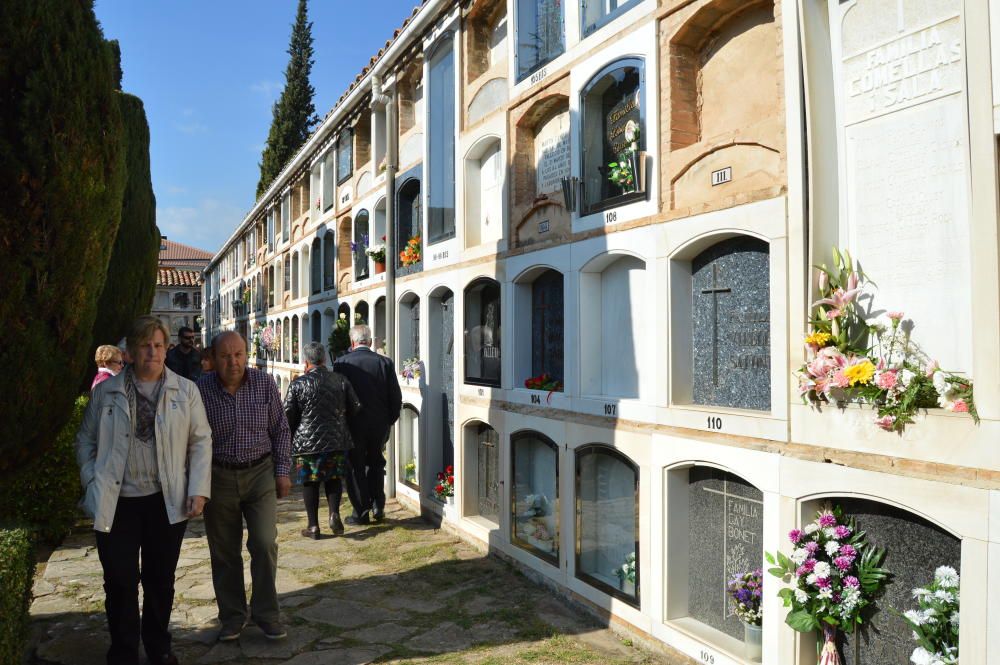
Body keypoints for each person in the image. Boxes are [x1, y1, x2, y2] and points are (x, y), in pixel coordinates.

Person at [75, 316, 212, 665]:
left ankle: (158, 646)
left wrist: (198, 488)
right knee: (119, 581)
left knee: (160, 581)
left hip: (166, 501)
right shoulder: (107, 391)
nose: (152, 351)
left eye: (157, 345)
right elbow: (85, 440)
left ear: (165, 349)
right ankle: (122, 651)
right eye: (144, 345)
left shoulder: (186, 390)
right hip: (117, 502)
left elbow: (200, 442)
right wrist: (92, 480)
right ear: (131, 353)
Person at [196, 331, 291, 642]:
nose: (233, 362)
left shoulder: (264, 384)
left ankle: (266, 613)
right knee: (224, 552)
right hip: (219, 476)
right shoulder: (201, 389)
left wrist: (282, 471)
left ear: (246, 355)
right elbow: (193, 439)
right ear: (213, 359)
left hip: (260, 473)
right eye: (225, 355)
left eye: (238, 354)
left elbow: (280, 429)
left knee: (264, 543)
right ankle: (233, 616)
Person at [283, 342, 362, 539]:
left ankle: (313, 526)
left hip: (306, 443)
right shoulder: (340, 380)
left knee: (310, 483)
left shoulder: (298, 384)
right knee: (333, 478)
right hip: (336, 439)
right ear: (324, 359)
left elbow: (287, 414)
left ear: (306, 361)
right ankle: (334, 513)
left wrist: (290, 438)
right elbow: (356, 407)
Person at [334, 324, 402, 525]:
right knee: (376, 462)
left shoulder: (341, 363)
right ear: (370, 342)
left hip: (353, 425)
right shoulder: (385, 363)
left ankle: (361, 511)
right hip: (379, 424)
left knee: (356, 466)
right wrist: (389, 420)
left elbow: (339, 397)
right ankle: (378, 506)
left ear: (352, 342)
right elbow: (395, 396)